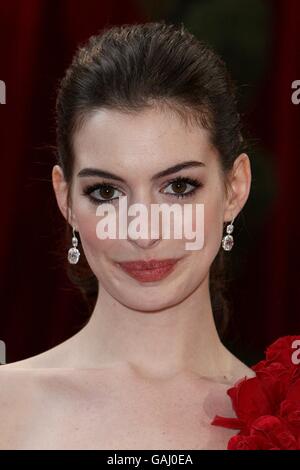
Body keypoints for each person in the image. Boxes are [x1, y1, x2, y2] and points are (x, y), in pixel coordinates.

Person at [1, 21, 297, 451]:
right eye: (105, 192)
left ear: (235, 188)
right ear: (65, 199)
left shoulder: (289, 421)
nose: (143, 230)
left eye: (178, 187)